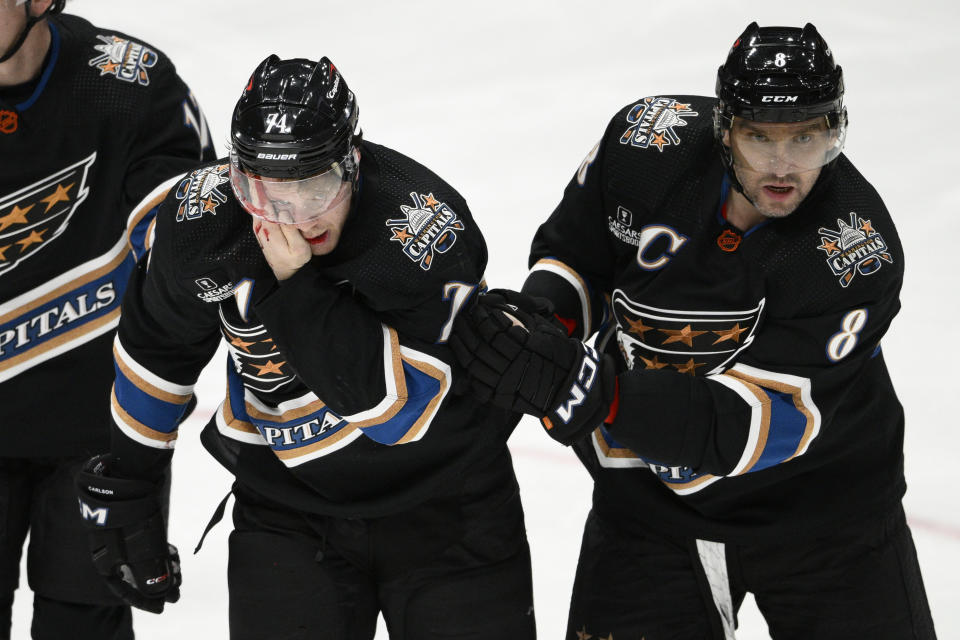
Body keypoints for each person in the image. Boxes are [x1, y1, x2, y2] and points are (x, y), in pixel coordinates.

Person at [451, 22, 937, 640]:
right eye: (761, 138)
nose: (783, 167)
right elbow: (577, 256)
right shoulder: (645, 149)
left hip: (827, 517)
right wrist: (542, 325)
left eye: (805, 138)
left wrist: (584, 389)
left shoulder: (852, 253)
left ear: (834, 132)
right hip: (653, 513)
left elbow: (735, 426)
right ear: (724, 128)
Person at [73, 54, 536, 639]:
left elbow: (386, 408)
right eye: (262, 189)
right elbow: (156, 350)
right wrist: (133, 482)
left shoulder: (419, 233)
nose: (291, 216)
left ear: (352, 162)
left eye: (315, 186)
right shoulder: (204, 224)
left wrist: (295, 288)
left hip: (449, 505)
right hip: (288, 509)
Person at [0, 0, 214, 638]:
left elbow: (188, 253)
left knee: (85, 624)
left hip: (97, 436)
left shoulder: (128, 87)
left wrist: (140, 456)